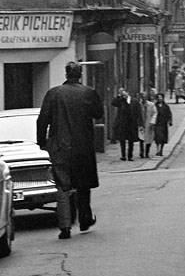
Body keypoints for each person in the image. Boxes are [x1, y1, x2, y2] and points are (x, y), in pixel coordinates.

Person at [36, 61, 103, 240]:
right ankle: (84, 219)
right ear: (80, 74)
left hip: (61, 147)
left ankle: (65, 227)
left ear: (66, 74)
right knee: (83, 184)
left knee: (63, 187)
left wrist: (42, 143)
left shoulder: (53, 94)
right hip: (83, 146)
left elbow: (42, 120)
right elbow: (98, 114)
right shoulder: (89, 92)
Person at [111, 86, 140, 161]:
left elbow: (138, 112)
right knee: (122, 140)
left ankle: (130, 156)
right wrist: (119, 95)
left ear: (128, 92)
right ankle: (123, 155)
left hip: (131, 124)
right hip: (122, 123)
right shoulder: (120, 101)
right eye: (122, 93)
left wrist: (138, 122)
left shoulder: (134, 101)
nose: (124, 95)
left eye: (124, 93)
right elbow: (113, 103)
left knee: (131, 140)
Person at [138, 92, 157, 159]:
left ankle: (147, 152)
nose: (143, 98)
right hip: (141, 124)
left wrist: (152, 122)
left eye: (144, 97)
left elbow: (155, 113)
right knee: (141, 138)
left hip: (149, 124)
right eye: (142, 97)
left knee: (149, 139)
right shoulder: (139, 105)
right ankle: (141, 152)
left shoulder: (151, 105)